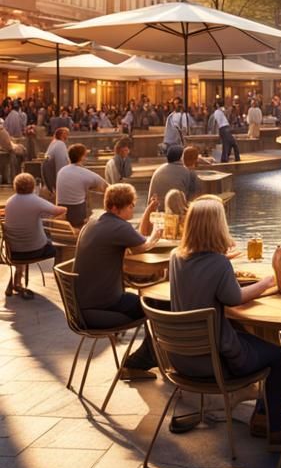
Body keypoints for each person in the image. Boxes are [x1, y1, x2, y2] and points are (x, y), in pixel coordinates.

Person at [170, 196, 281, 452]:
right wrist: (269, 280)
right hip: (213, 362)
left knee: (250, 337)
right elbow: (234, 299)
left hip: (180, 358)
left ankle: (264, 415)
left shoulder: (176, 257)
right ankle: (276, 428)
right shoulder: (218, 264)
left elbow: (207, 285)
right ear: (217, 226)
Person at [74, 183, 165, 378]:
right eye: (130, 205)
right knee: (159, 308)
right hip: (103, 307)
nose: (133, 207)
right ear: (115, 208)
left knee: (150, 302)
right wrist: (156, 234)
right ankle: (136, 364)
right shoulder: (117, 226)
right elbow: (142, 246)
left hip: (81, 304)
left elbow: (132, 242)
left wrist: (149, 212)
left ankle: (150, 358)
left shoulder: (94, 220)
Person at [4, 172, 66, 298]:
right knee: (60, 248)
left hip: (13, 252)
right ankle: (62, 280)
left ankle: (16, 282)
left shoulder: (10, 202)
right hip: (35, 251)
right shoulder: (35, 201)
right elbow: (59, 211)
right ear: (32, 186)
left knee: (23, 241)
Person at [55, 143, 108, 228]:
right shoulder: (85, 174)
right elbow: (107, 188)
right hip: (76, 213)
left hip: (61, 210)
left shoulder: (61, 171)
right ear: (82, 157)